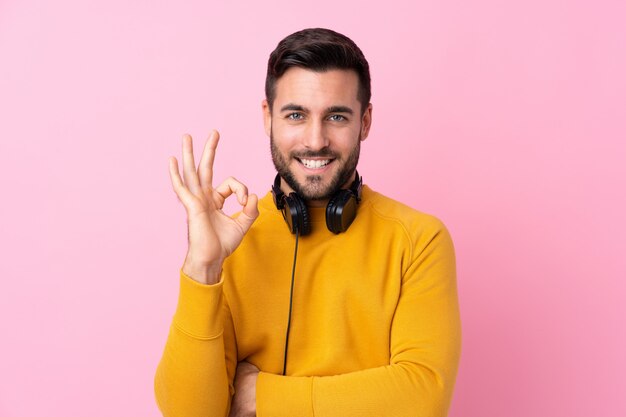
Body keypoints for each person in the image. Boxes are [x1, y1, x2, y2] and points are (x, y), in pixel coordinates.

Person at [155, 28, 461, 417]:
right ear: (267, 118)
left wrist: (261, 395)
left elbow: (422, 398)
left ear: (365, 122)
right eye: (296, 115)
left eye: (336, 116)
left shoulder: (419, 240)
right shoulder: (229, 245)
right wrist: (202, 266)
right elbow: (188, 412)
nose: (316, 140)